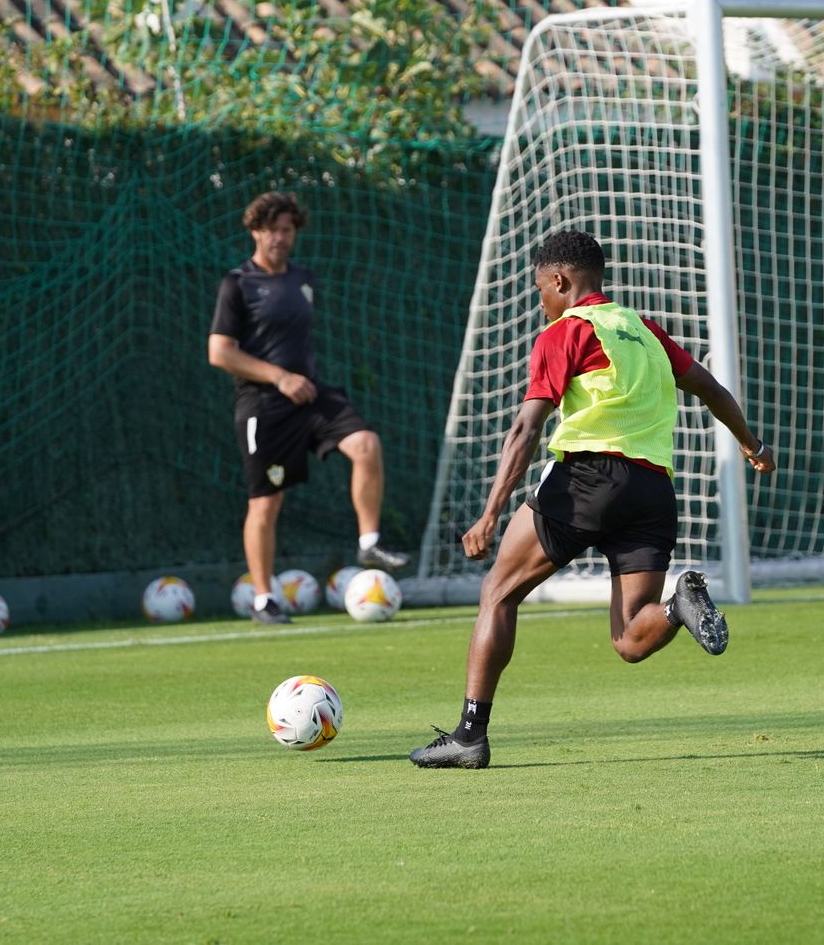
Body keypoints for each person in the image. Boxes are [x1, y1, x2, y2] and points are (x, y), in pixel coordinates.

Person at [410, 229, 776, 769]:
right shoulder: (644, 329)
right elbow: (713, 390)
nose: (541, 303)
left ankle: (469, 735)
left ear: (559, 281)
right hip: (652, 492)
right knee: (630, 638)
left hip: (589, 479)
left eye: (541, 291)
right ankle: (678, 607)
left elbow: (525, 429)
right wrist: (753, 444)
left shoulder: (565, 331)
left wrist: (490, 512)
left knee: (498, 591)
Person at [207, 191, 408, 625]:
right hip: (265, 406)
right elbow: (220, 352)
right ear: (255, 230)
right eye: (272, 229)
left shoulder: (303, 278)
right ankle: (264, 599)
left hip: (312, 397)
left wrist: (298, 379)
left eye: (288, 230)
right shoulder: (237, 283)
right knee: (266, 503)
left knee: (366, 443)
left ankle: (369, 539)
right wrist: (278, 376)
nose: (281, 237)